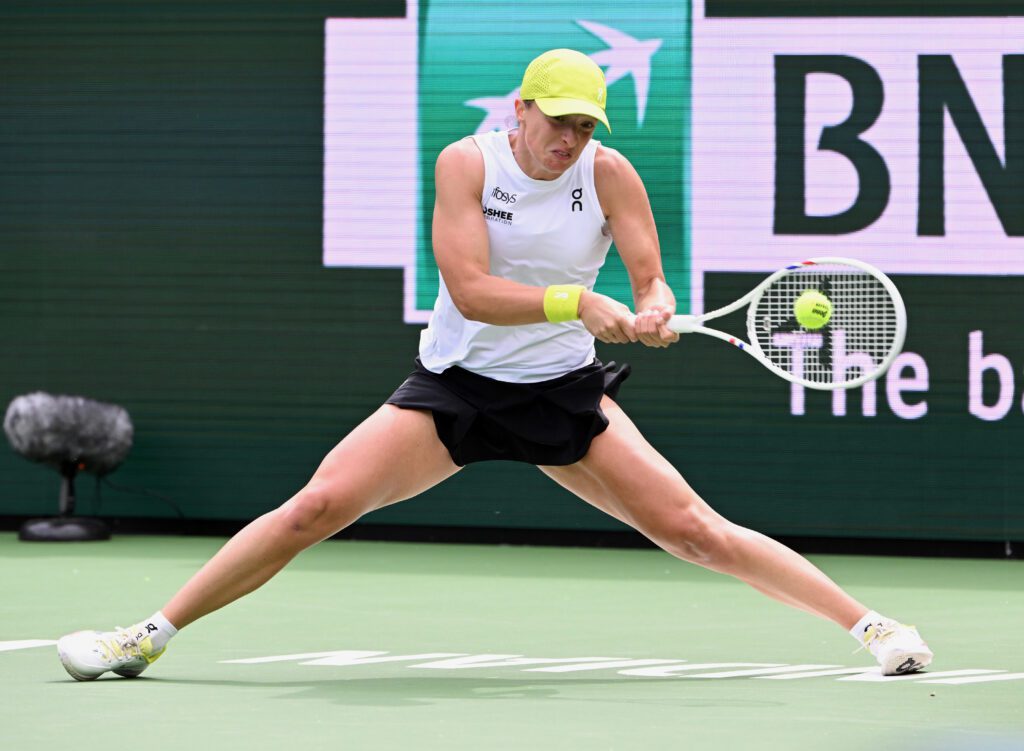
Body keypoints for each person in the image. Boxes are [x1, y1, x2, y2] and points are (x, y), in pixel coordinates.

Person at [56, 48, 932, 681]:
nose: (572, 138)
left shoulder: (611, 173)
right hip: (457, 389)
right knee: (314, 507)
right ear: (521, 108)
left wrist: (656, 303)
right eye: (559, 121)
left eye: (587, 124)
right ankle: (144, 635)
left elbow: (650, 275)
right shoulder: (465, 164)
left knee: (694, 529)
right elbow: (472, 289)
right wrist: (580, 304)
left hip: (561, 392)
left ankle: (874, 626)